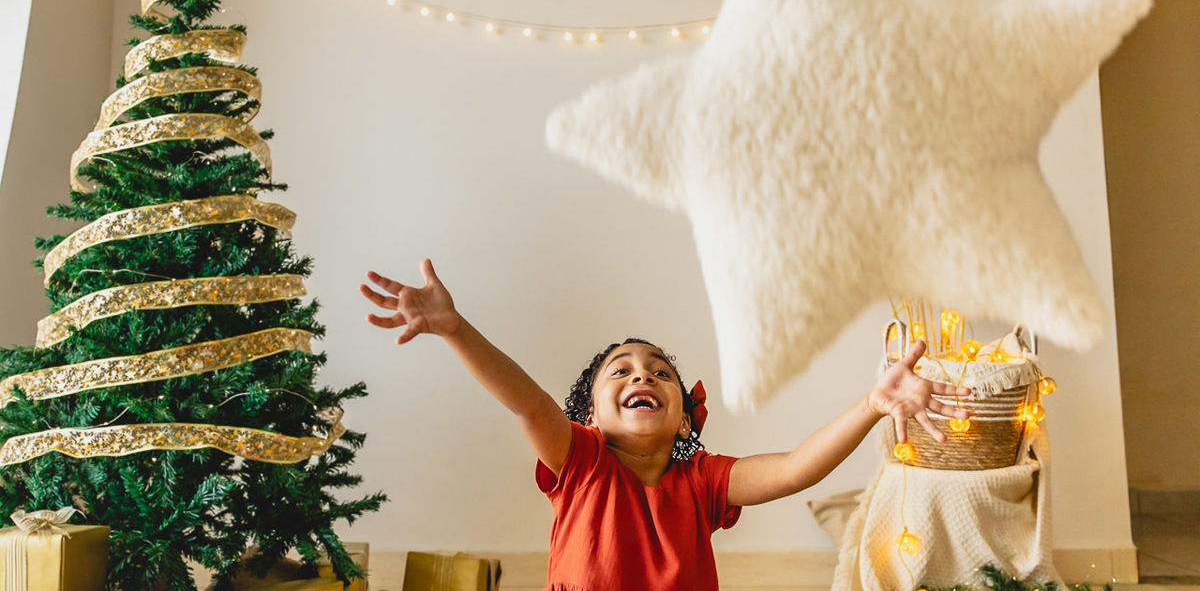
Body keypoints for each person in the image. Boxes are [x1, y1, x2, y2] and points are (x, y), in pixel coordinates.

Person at [360, 259, 969, 591]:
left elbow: (791, 470)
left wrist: (871, 405)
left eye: (660, 373)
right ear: (590, 415)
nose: (643, 376)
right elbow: (527, 403)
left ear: (682, 419)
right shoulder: (582, 463)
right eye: (621, 371)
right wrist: (456, 330)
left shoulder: (702, 481)